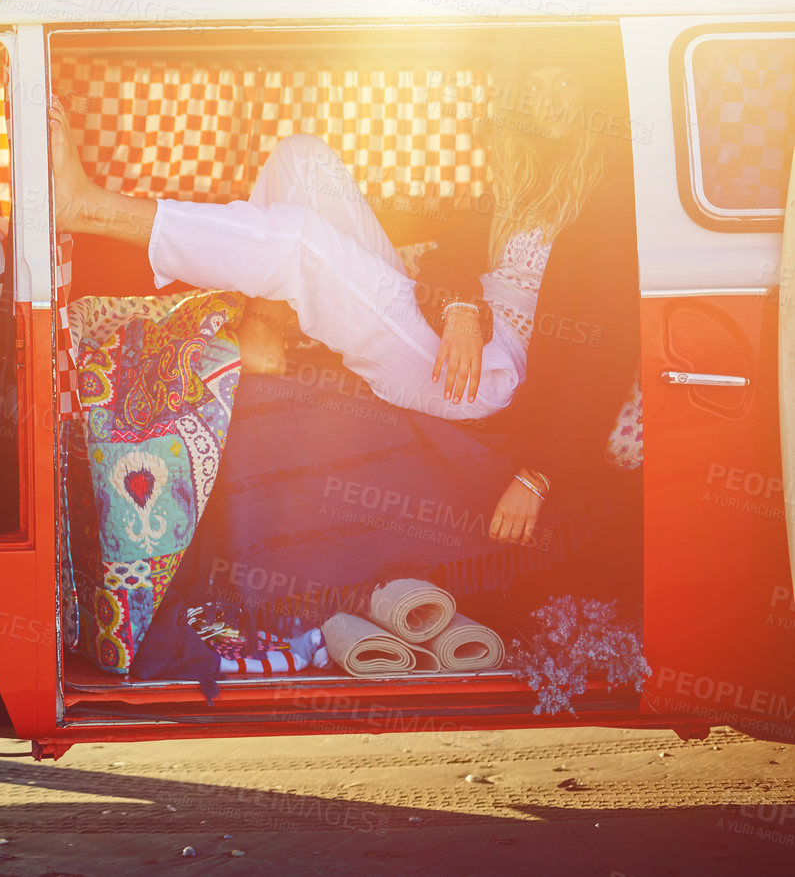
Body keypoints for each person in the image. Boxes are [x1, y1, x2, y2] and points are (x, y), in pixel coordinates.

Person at [52, 56, 634, 554]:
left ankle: (93, 210)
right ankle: (263, 326)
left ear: (589, 91)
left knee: (304, 243)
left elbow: (601, 355)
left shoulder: (609, 202)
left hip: (492, 377)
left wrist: (537, 475)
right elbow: (457, 258)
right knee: (302, 158)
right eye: (535, 84)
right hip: (458, 334)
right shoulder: (519, 175)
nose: (548, 98)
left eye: (562, 82)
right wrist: (463, 310)